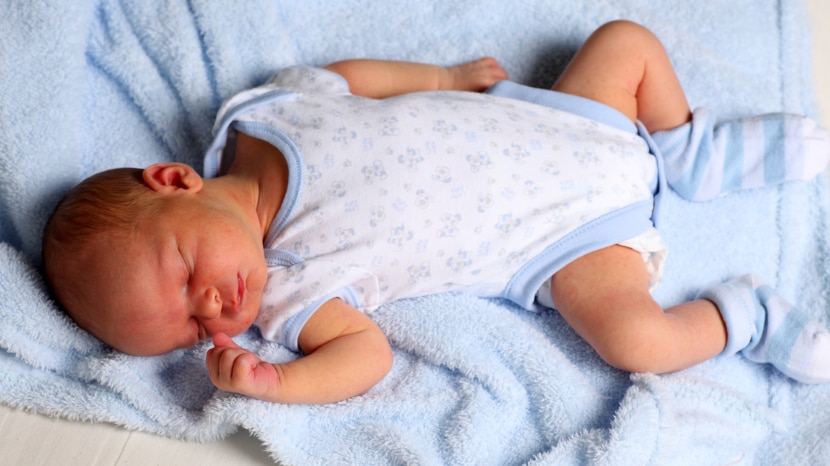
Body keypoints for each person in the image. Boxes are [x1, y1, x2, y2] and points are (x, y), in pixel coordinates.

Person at [42, 21, 830, 404]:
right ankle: (748, 318)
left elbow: (343, 78)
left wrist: (445, 77)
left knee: (624, 41)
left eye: (186, 276)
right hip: (563, 242)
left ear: (175, 179)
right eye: (188, 327)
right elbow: (367, 358)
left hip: (561, 121)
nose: (213, 309)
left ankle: (688, 150)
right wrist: (276, 385)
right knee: (636, 340)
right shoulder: (293, 296)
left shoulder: (261, 118)